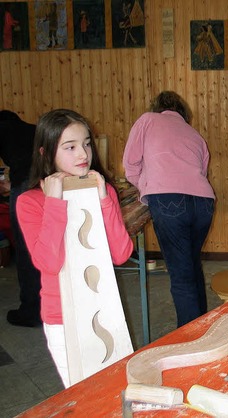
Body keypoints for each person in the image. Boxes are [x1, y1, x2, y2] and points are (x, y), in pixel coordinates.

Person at [16, 109, 133, 387]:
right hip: (62, 316)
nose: (83, 154)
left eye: (86, 143)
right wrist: (55, 203)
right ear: (46, 152)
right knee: (82, 394)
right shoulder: (30, 201)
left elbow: (121, 254)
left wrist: (104, 198)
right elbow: (49, 263)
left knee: (115, 387)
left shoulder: (102, 190)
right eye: (70, 147)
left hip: (104, 307)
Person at [123, 91, 216, 327]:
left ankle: (190, 340)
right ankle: (201, 328)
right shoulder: (195, 134)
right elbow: (201, 171)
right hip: (204, 202)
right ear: (183, 112)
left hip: (168, 200)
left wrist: (146, 186)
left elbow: (130, 165)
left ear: (157, 107)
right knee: (192, 265)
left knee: (181, 275)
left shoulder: (147, 120)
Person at [0, 111, 42, 327]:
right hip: (46, 184)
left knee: (26, 252)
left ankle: (30, 311)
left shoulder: (2, 129)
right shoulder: (33, 129)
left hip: (25, 187)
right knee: (45, 247)